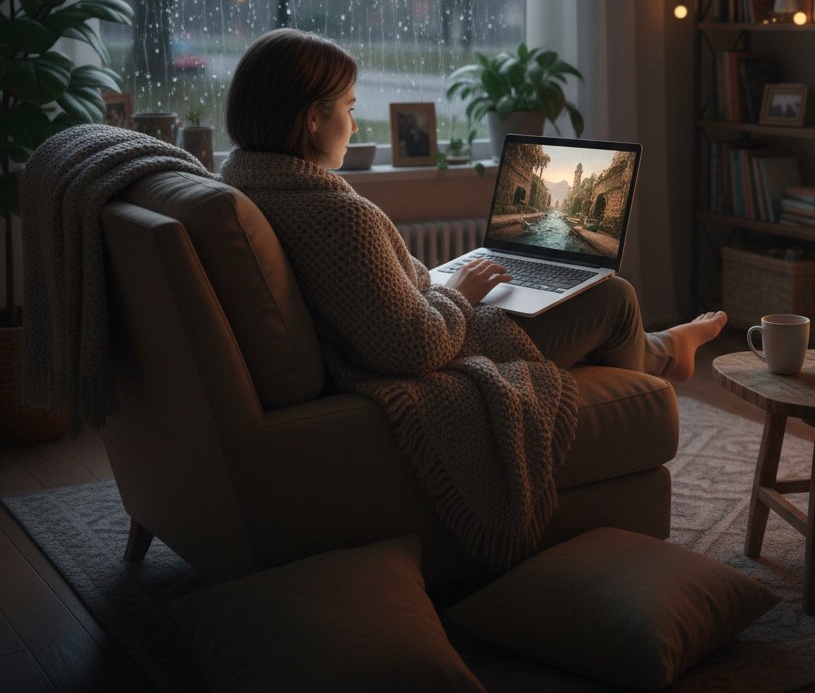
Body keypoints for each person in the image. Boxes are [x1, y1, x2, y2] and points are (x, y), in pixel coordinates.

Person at [220, 28, 726, 568]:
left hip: (425, 314)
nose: (355, 119)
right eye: (347, 106)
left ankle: (660, 347)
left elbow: (372, 305)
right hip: (444, 343)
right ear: (312, 119)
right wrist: (459, 294)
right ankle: (665, 357)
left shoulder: (246, 186)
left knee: (553, 293)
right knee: (614, 298)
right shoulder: (337, 215)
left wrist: (440, 287)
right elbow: (411, 347)